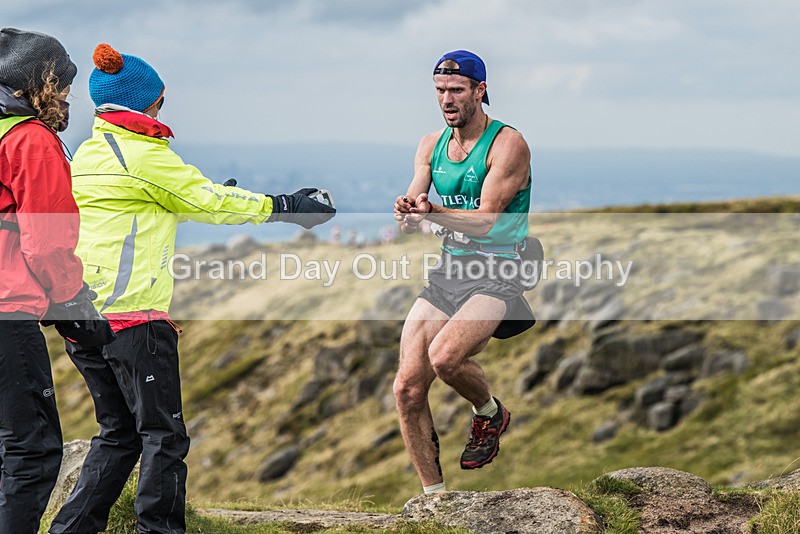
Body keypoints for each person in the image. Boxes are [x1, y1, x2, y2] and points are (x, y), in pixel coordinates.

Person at [48, 43, 335, 534]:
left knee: (118, 434)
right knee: (164, 435)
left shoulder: (94, 150)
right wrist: (290, 205)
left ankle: (70, 530)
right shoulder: (142, 153)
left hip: (84, 315)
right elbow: (205, 200)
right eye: (160, 99)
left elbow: (147, 203)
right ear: (146, 103)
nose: (164, 106)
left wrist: (198, 193)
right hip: (133, 319)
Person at [392, 50, 535, 495]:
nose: (447, 99)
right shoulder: (429, 144)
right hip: (449, 270)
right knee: (407, 389)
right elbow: (416, 196)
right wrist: (409, 210)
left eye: (456, 90)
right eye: (440, 91)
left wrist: (434, 211)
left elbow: (489, 219)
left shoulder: (508, 143)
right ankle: (434, 501)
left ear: (480, 90)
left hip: (499, 268)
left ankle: (489, 412)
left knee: (444, 357)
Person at [0, 28, 114, 533]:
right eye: (62, 83)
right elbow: (46, 243)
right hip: (7, 315)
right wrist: (76, 308)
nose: (69, 94)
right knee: (32, 454)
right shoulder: (29, 139)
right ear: (36, 84)